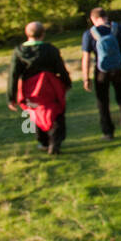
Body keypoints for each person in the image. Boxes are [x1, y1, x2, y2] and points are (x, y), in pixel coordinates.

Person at [6, 21, 71, 155]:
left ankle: (43, 142)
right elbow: (61, 68)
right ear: (43, 34)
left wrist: (11, 97)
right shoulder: (51, 49)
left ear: (26, 34)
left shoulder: (19, 51)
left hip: (30, 88)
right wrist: (66, 82)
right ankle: (55, 142)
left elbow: (13, 74)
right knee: (55, 111)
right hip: (50, 85)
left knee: (35, 112)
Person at [80, 7, 121, 141]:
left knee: (103, 101)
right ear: (106, 16)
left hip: (101, 70)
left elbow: (86, 58)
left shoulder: (89, 34)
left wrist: (86, 78)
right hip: (119, 68)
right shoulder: (120, 29)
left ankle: (108, 132)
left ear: (93, 19)